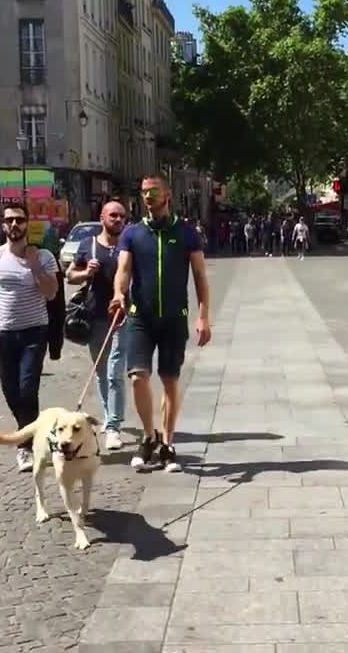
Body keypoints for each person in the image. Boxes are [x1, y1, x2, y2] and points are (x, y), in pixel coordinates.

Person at [110, 172, 212, 473]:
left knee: (169, 380)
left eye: (152, 192)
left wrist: (203, 314)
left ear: (166, 195)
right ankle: (148, 435)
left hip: (173, 317)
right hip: (139, 315)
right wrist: (118, 293)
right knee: (138, 377)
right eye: (143, 193)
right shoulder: (131, 233)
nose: (147, 197)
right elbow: (124, 269)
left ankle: (167, 443)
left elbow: (200, 277)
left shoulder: (186, 232)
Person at [0, 204, 61, 472]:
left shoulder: (45, 256)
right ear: (2, 225)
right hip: (4, 334)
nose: (14, 225)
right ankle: (33, 434)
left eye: (19, 220)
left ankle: (25, 447)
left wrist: (34, 264)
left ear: (27, 224)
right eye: (9, 220)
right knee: (11, 392)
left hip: (35, 332)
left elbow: (51, 293)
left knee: (27, 389)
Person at [65, 200, 129, 451]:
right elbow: (70, 275)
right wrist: (85, 273)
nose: (118, 220)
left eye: (122, 216)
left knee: (115, 370)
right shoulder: (88, 245)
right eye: (113, 215)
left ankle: (113, 426)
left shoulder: (128, 245)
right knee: (102, 372)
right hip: (95, 316)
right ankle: (108, 414)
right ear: (102, 217)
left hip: (123, 315)